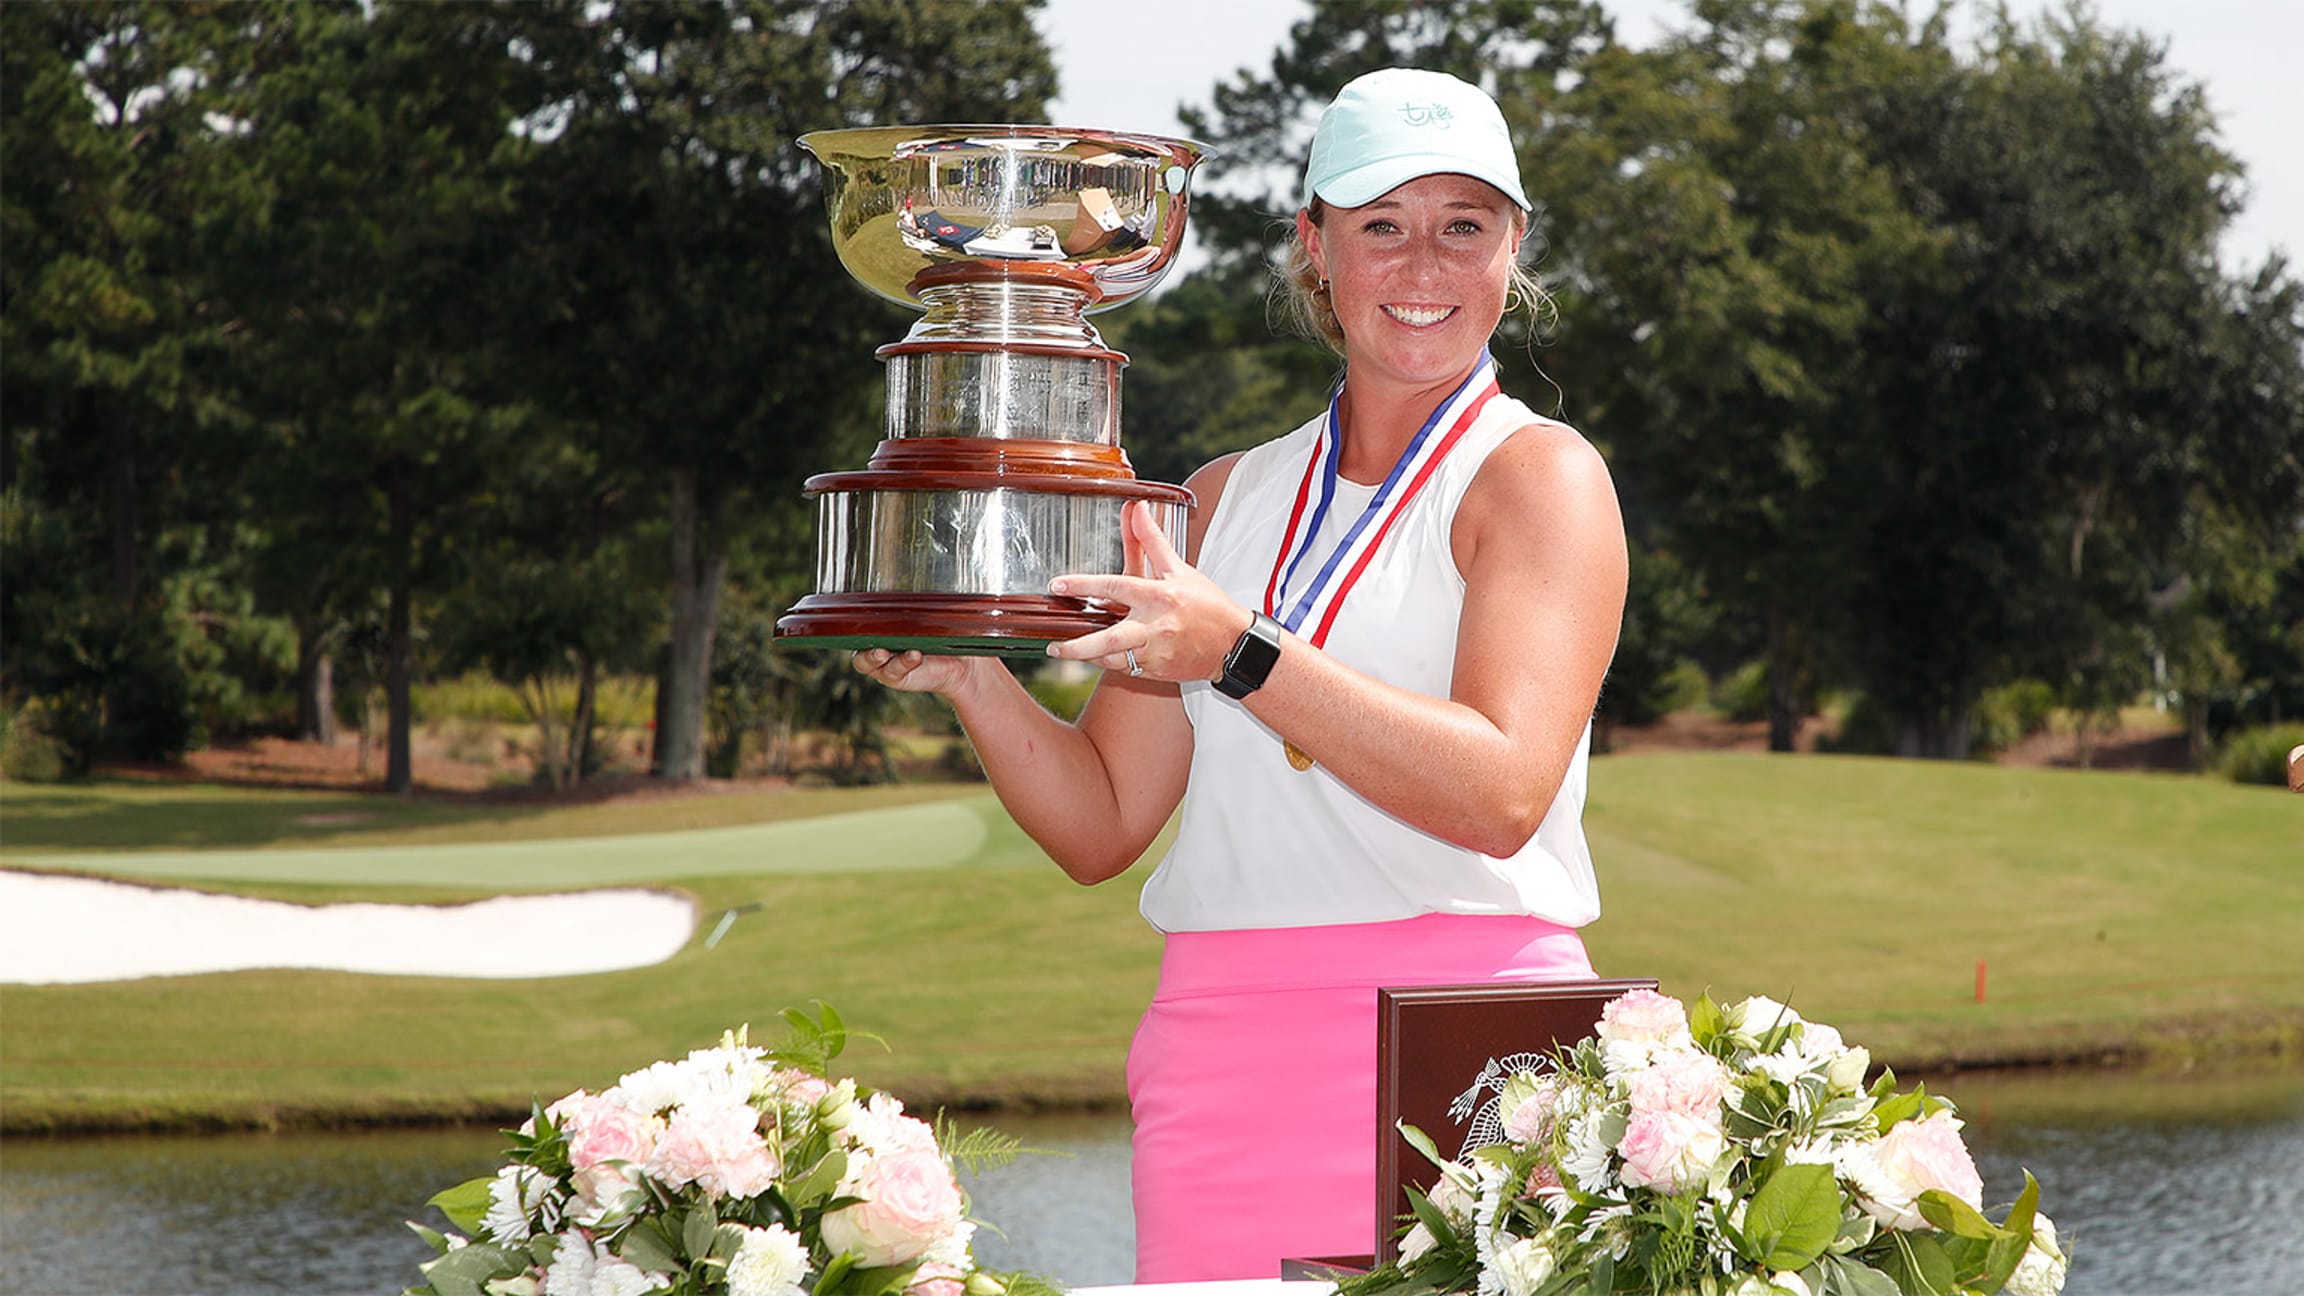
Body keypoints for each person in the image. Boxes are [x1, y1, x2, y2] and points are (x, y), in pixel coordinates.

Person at [854, 66, 1628, 1282]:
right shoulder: (1219, 498)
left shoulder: (1540, 476)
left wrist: (1244, 654)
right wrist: (971, 680)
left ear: (1512, 245)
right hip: (1224, 1059)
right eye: (1382, 227)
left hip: (1479, 1060)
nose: (1423, 268)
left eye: (1461, 227)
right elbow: (1104, 823)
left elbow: (1503, 792)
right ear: (1314, 246)